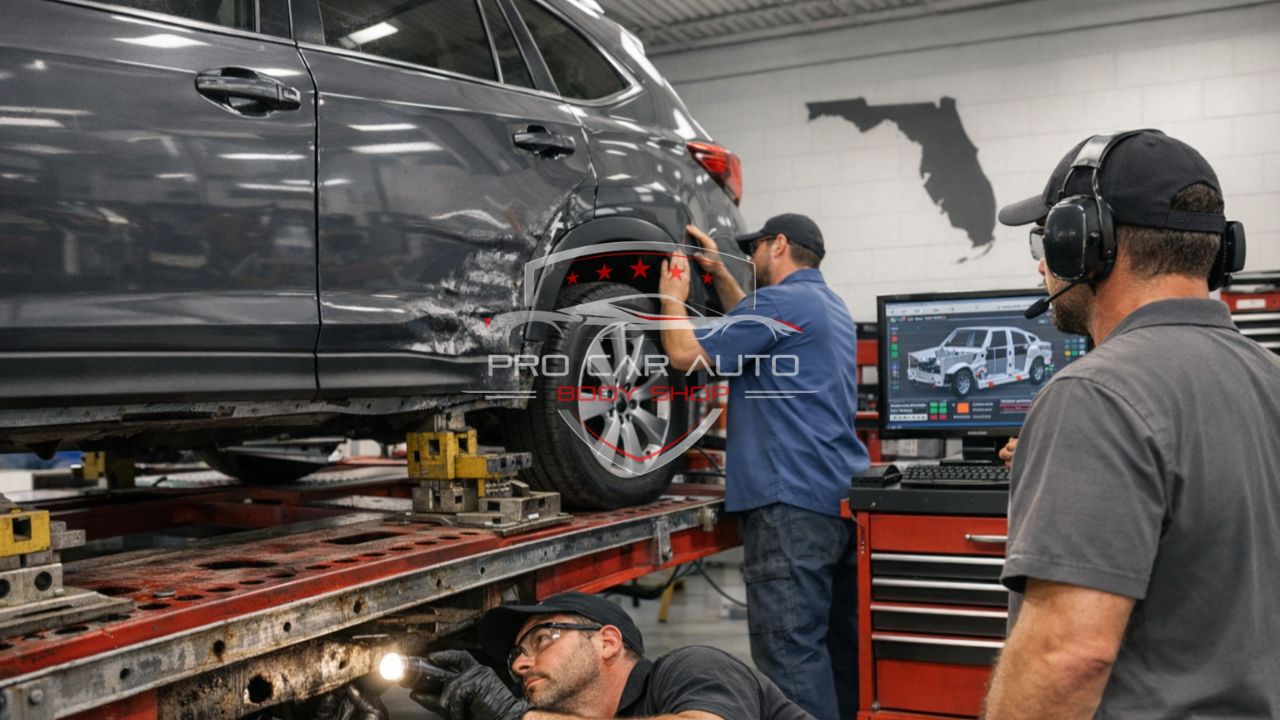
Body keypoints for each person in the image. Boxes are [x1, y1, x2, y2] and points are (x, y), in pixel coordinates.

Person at [983, 130, 1280, 718]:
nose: (1043, 262)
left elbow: (1067, 659)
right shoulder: (1270, 376)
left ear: (1082, 245)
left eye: (1047, 240)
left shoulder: (1093, 395)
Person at [654, 215, 868, 720]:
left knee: (791, 667)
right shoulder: (829, 307)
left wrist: (670, 297)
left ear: (778, 245)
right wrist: (723, 276)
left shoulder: (783, 303)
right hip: (836, 505)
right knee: (836, 659)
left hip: (788, 507)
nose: (749, 261)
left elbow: (685, 353)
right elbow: (751, 328)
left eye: (755, 250)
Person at [413, 591, 815, 719]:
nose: (519, 664)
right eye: (517, 654)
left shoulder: (691, 670)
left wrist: (520, 716)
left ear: (607, 642)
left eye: (543, 638)